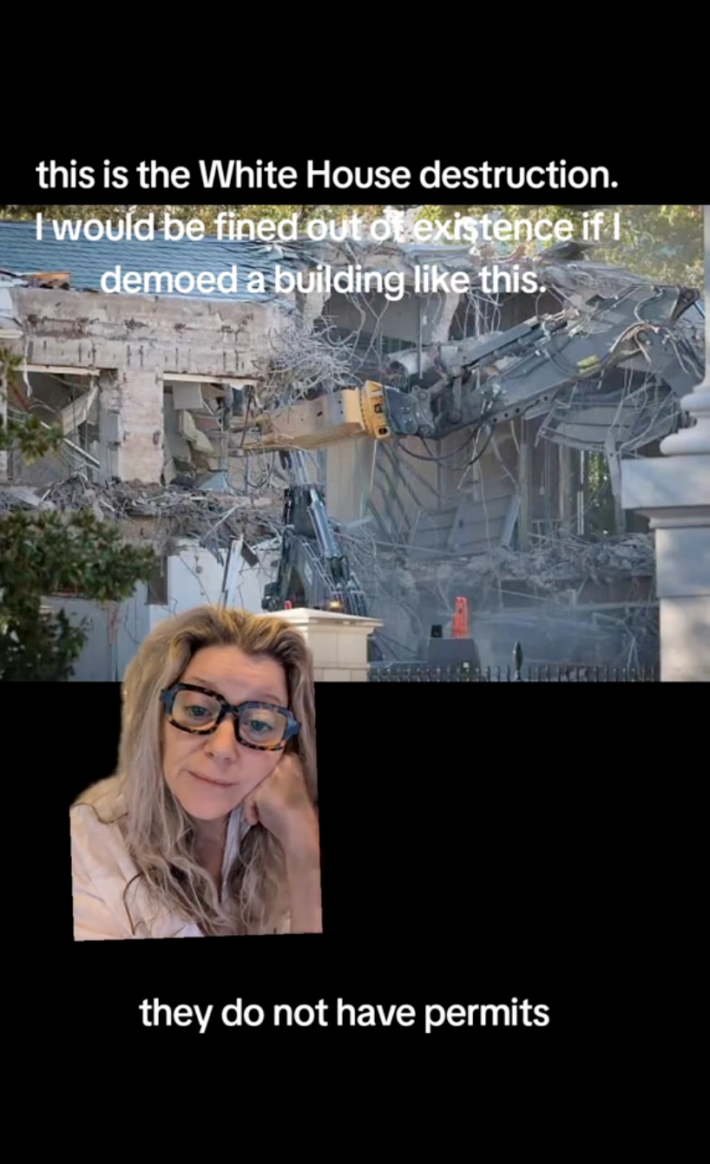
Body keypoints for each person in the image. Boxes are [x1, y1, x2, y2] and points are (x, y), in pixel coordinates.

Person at [70, 605, 321, 938]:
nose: (223, 748)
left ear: (286, 748)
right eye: (199, 709)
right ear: (154, 720)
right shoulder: (87, 849)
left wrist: (303, 849)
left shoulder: (291, 828)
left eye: (259, 723)